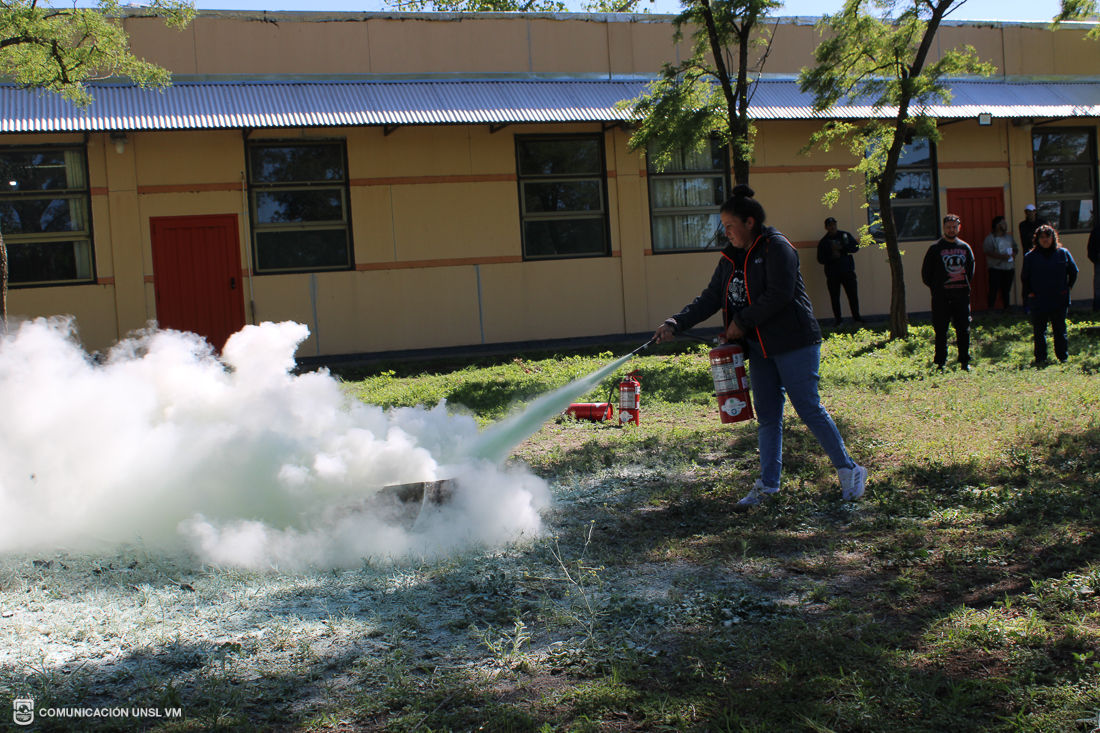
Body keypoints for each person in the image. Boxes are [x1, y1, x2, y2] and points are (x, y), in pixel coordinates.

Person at [652, 184, 867, 510]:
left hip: (794, 343)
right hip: (760, 350)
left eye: (729, 226)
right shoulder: (729, 259)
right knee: (768, 417)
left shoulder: (777, 248)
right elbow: (711, 297)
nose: (725, 233)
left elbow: (779, 294)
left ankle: (849, 470)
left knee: (808, 409)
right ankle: (768, 485)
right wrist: (675, 322)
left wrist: (742, 321)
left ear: (749, 222)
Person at [922, 214, 975, 371]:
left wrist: (961, 285)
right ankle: (940, 363)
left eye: (954, 227)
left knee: (963, 330)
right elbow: (926, 274)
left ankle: (965, 362)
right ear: (943, 228)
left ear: (959, 227)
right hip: (941, 298)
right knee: (940, 331)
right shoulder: (934, 249)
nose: (951, 230)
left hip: (961, 296)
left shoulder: (965, 248)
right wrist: (937, 288)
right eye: (948, 227)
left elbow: (970, 271)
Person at [1021, 225, 1079, 364]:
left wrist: (1068, 287)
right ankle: (1041, 358)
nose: (1045, 240)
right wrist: (1029, 293)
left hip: (1059, 298)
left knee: (1060, 329)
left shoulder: (1063, 253)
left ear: (1053, 238)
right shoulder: (1031, 257)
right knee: (1040, 331)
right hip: (1038, 299)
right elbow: (1025, 277)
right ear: (1037, 240)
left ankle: (1062, 356)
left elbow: (1073, 271)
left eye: (1048, 236)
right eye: (1042, 237)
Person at [816, 217, 865, 327]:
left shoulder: (845, 235)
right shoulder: (824, 242)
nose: (832, 227)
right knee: (835, 297)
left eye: (834, 224)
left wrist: (843, 247)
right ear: (826, 227)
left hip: (847, 271)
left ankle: (857, 318)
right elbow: (820, 259)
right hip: (833, 274)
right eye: (830, 225)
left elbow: (855, 248)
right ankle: (839, 320)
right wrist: (831, 257)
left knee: (852, 295)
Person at [982, 215, 1018, 313]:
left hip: (1009, 267)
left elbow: (1015, 247)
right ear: (998, 225)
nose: (1006, 225)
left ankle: (1006, 308)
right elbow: (987, 251)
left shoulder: (1009, 238)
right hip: (995, 268)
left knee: (1006, 289)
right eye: (1004, 223)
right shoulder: (990, 238)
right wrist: (1002, 256)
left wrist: (1014, 253)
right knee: (994, 289)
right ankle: (991, 309)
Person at [1088, 221, 1100, 312]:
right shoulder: (1096, 230)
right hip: (1099, 263)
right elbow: (1090, 248)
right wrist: (1096, 259)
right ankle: (1097, 309)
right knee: (1098, 288)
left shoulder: (1096, 229)